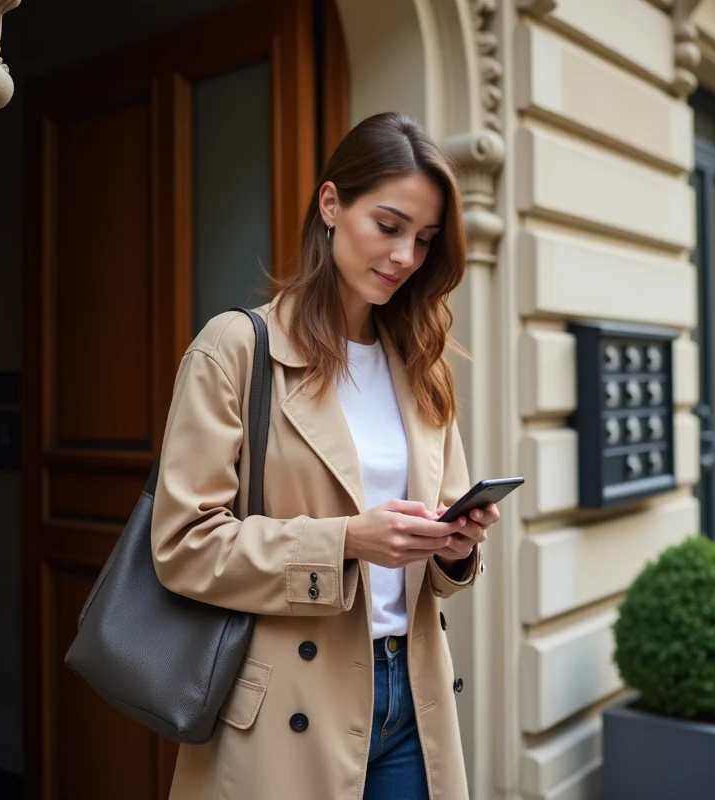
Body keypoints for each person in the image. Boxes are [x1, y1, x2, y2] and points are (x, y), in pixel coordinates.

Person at [151, 111, 498, 800]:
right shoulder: (238, 349)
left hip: (413, 692)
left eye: (424, 241)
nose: (405, 257)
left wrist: (455, 546)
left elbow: (436, 567)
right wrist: (347, 541)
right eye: (390, 226)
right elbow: (184, 546)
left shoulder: (424, 366)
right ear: (332, 204)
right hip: (287, 703)